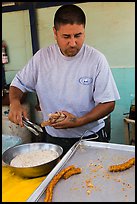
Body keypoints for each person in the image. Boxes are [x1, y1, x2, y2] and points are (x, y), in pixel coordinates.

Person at [8, 4, 120, 155]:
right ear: (55, 32)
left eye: (78, 35)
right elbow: (18, 84)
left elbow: (108, 103)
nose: (73, 43)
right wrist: (14, 102)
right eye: (66, 36)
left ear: (84, 31)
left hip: (90, 138)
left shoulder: (96, 59)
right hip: (54, 139)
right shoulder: (42, 58)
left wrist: (78, 121)